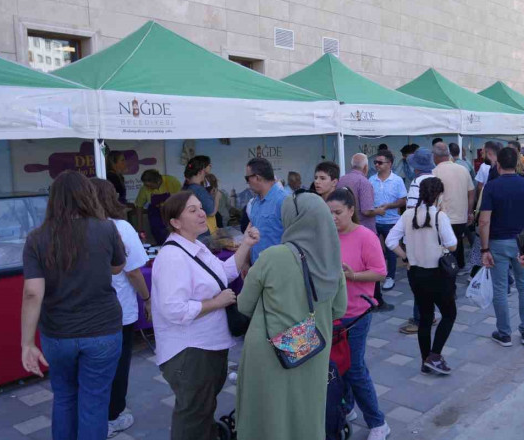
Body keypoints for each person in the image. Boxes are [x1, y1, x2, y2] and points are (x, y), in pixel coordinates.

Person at [20, 170, 126, 440]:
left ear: (53, 199)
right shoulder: (106, 228)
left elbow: (33, 292)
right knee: (94, 402)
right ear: (87, 196)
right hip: (103, 330)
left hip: (58, 333)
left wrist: (27, 343)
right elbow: (118, 267)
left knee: (64, 397)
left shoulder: (36, 237)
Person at [235, 192, 348, 440]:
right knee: (306, 411)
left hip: (271, 351)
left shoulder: (273, 256)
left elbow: (244, 305)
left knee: (269, 414)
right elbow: (339, 309)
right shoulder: (332, 259)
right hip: (312, 347)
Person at [150, 191, 258, 440]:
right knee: (193, 416)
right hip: (190, 351)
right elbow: (173, 309)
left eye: (200, 208)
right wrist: (215, 303)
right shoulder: (172, 257)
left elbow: (224, 272)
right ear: (175, 222)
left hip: (207, 345)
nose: (202, 213)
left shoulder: (195, 246)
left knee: (202, 409)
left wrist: (246, 245)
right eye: (192, 210)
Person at [326, 189, 391, 440]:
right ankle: (346, 406)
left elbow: (380, 272)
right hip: (333, 313)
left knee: (354, 367)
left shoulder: (366, 236)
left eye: (338, 213)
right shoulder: (328, 236)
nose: (333, 218)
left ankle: (377, 422)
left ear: (352, 211)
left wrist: (352, 275)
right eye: (329, 213)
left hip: (357, 313)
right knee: (337, 365)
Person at [88, 178, 151, 438]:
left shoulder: (77, 227)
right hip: (118, 310)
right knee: (117, 365)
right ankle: (112, 416)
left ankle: (92, 416)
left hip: (85, 311)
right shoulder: (121, 228)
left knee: (92, 368)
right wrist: (147, 298)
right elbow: (134, 272)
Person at [386, 177, 458, 374]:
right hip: (438, 275)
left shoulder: (408, 214)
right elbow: (452, 244)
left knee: (425, 317)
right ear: (439, 195)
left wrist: (406, 257)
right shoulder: (439, 216)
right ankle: (434, 356)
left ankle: (425, 360)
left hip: (416, 274)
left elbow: (391, 241)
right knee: (449, 314)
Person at [478, 146, 524, 347]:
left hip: (498, 242)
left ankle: (504, 333)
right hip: (522, 243)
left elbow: (484, 220)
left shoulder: (492, 187)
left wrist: (484, 249)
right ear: (518, 164)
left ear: (498, 164)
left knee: (500, 288)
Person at [400, 148, 440, 334]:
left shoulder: (417, 183)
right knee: (427, 277)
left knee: (416, 279)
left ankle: (420, 318)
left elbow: (411, 210)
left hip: (417, 235)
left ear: (416, 167)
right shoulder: (435, 179)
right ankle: (428, 314)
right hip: (432, 234)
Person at [432, 141, 476, 270]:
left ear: (435, 156)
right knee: (458, 240)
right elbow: (471, 192)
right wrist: (470, 212)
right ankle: (460, 265)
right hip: (461, 216)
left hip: (443, 216)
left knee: (444, 244)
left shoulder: (435, 172)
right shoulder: (463, 169)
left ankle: (448, 268)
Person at [369, 149, 408, 292]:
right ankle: (375, 274)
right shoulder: (371, 180)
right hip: (373, 221)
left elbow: (403, 200)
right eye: (375, 162)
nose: (377, 165)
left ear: (389, 164)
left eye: (380, 162)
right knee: (373, 250)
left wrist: (390, 205)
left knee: (391, 250)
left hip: (391, 221)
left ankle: (390, 276)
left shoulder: (397, 180)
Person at [245, 157, 286, 265]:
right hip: (257, 267)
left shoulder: (284, 200)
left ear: (257, 178)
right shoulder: (255, 202)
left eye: (247, 178)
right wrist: (246, 261)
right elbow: (251, 235)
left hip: (277, 269)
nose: (247, 183)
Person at [134, 169, 181, 244]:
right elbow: (139, 206)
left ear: (158, 181)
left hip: (172, 211)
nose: (147, 188)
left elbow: (182, 198)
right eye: (146, 185)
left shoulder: (172, 181)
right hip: (155, 214)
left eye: (150, 186)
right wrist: (140, 227)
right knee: (160, 234)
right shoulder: (144, 188)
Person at [338, 153, 379, 233]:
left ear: (351, 165)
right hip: (363, 229)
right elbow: (366, 211)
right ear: (365, 167)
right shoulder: (364, 182)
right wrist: (379, 211)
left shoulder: (341, 180)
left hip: (345, 227)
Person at [182, 155, 216, 236]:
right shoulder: (199, 190)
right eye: (208, 165)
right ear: (201, 172)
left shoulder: (185, 188)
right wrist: (217, 197)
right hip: (200, 234)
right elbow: (211, 212)